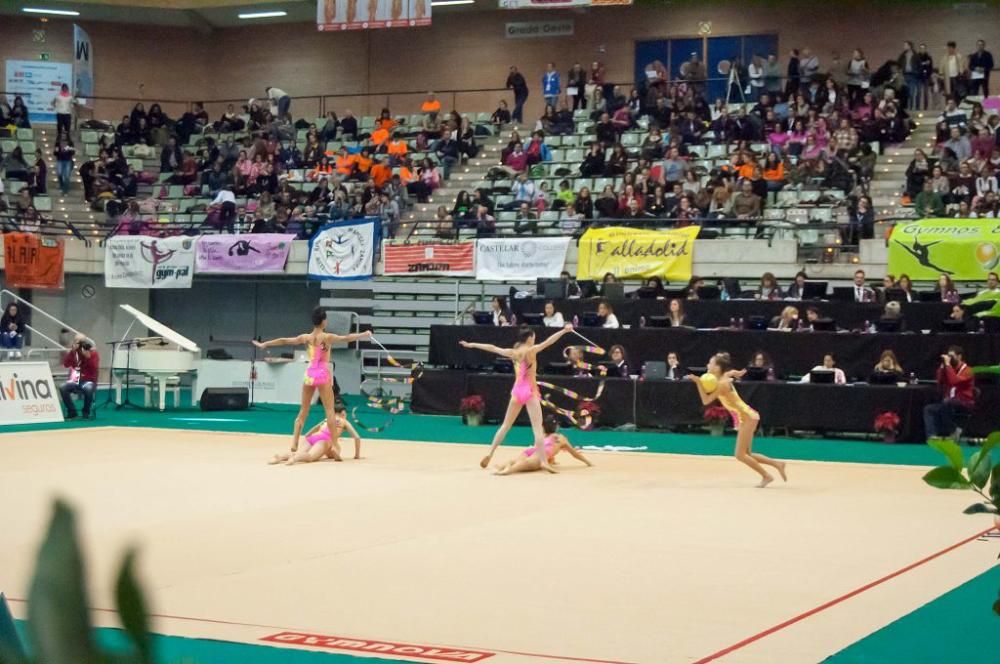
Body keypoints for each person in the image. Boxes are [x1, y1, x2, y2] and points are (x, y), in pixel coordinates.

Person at [252, 307, 371, 454]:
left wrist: (266, 344)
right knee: (329, 410)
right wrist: (364, 334)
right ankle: (334, 444)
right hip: (322, 374)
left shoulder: (306, 338)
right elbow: (347, 338)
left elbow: (285, 340)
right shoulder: (327, 337)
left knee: (304, 410)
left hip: (309, 373)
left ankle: (295, 441)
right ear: (323, 321)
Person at [461, 324, 575, 470]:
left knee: (505, 425)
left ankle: (490, 452)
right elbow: (549, 341)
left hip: (516, 391)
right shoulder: (531, 350)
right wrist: (564, 331)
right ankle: (544, 462)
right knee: (537, 429)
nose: (534, 340)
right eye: (533, 337)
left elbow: (492, 348)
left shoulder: (513, 352)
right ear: (529, 338)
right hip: (530, 390)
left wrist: (472, 344)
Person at [688, 352, 787, 488]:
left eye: (710, 363)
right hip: (748, 416)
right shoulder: (723, 377)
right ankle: (777, 464)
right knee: (748, 454)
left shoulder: (722, 384)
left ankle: (766, 476)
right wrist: (736, 372)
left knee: (740, 455)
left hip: (747, 417)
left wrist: (698, 382)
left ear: (717, 368)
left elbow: (706, 400)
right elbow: (729, 373)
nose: (707, 365)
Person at [492, 416, 592, 476]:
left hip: (532, 450)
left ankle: (502, 466)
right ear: (556, 427)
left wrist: (552, 460)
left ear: (543, 427)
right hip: (543, 452)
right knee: (524, 464)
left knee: (516, 460)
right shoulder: (560, 438)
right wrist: (588, 462)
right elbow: (574, 454)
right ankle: (509, 470)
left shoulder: (541, 435)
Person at [267, 404, 361, 466]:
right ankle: (295, 459)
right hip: (325, 439)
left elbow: (315, 428)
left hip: (314, 436)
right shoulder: (344, 421)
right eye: (345, 414)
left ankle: (279, 457)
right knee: (310, 457)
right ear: (343, 414)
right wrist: (357, 455)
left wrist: (307, 435)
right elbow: (357, 437)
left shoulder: (327, 419)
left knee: (300, 452)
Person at [923, 346, 975, 439]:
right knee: (929, 409)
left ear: (959, 356)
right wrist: (942, 367)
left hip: (964, 402)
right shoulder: (949, 369)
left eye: (952, 356)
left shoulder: (968, 370)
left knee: (947, 403)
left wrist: (947, 366)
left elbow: (954, 381)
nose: (949, 358)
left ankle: (953, 430)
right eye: (948, 356)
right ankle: (932, 436)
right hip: (949, 402)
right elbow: (939, 381)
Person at [60, 334, 99, 419]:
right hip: (75, 380)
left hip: (89, 380)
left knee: (88, 389)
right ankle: (72, 411)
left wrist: (88, 357)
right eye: (78, 342)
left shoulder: (93, 353)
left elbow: (94, 368)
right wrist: (72, 352)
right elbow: (66, 364)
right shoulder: (74, 353)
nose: (81, 345)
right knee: (63, 387)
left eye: (83, 342)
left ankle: (86, 411)